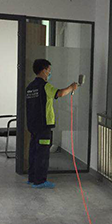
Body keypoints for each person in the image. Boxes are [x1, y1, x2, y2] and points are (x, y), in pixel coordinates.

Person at [26, 59, 77, 188]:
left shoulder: (30, 87)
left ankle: (32, 178)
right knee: (42, 154)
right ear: (44, 70)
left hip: (33, 124)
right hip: (44, 126)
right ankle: (40, 181)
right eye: (49, 70)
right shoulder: (45, 86)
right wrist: (71, 87)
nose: (49, 73)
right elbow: (60, 93)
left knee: (34, 151)